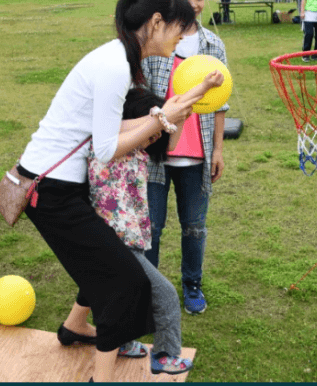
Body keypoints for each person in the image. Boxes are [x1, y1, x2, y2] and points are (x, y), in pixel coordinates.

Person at [18, 0, 199, 382]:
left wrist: (171, 113)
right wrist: (162, 118)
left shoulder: (117, 58)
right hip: (49, 191)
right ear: (155, 23)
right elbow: (106, 149)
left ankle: (75, 327)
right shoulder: (116, 65)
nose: (181, 39)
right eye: (178, 30)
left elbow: (114, 127)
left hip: (61, 184)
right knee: (123, 280)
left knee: (104, 263)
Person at [86, 79, 221, 376]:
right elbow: (131, 126)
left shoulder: (138, 150)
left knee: (122, 293)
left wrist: (199, 93)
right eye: (152, 129)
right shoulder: (110, 141)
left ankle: (120, 342)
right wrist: (158, 117)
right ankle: (165, 354)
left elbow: (170, 137)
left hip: (125, 239)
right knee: (164, 294)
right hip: (115, 240)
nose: (155, 136)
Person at [143, 0, 229, 315]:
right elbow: (141, 95)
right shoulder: (153, 41)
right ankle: (150, 290)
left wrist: (218, 150)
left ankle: (192, 285)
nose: (193, 3)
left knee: (195, 227)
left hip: (197, 154)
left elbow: (221, 104)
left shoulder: (213, 44)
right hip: (155, 154)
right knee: (152, 229)